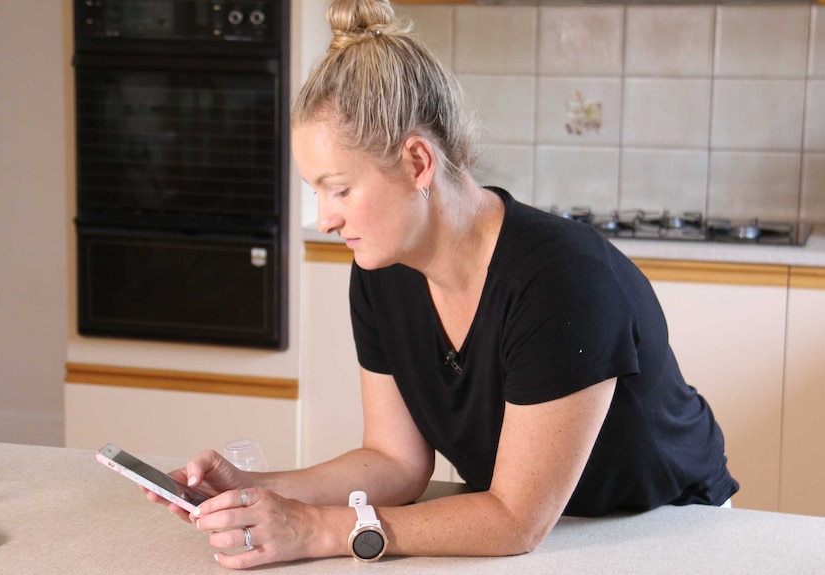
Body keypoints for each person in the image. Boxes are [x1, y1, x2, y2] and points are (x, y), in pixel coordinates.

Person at [147, 0, 738, 568]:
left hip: (669, 533)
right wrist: (253, 491)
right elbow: (395, 462)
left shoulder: (563, 280)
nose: (326, 218)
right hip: (541, 538)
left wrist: (317, 529)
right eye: (317, 192)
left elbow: (514, 521)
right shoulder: (382, 272)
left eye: (340, 189)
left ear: (417, 163)